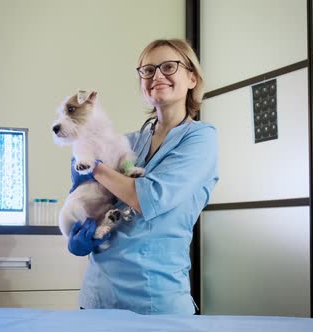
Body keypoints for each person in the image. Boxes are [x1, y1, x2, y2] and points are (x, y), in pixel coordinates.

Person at [67, 38, 219, 315]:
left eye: (169, 67)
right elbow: (85, 197)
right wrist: (76, 231)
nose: (157, 76)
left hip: (155, 300)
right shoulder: (128, 141)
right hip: (97, 298)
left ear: (193, 78)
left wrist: (93, 166)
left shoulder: (201, 139)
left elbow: (146, 197)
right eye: (147, 70)